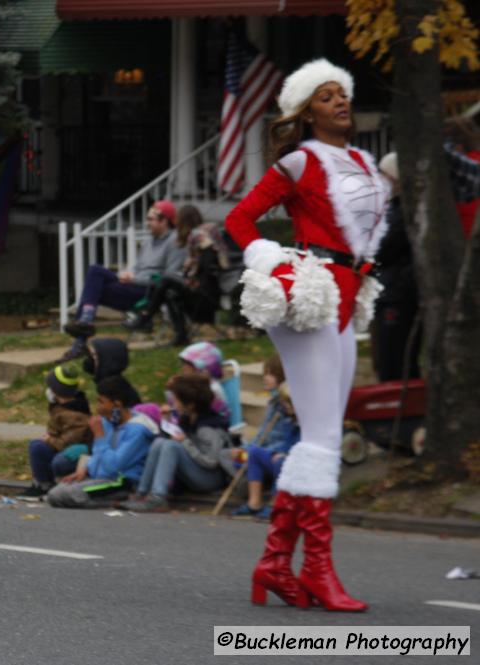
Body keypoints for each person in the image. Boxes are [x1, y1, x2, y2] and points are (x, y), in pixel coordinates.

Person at [224, 59, 390, 612]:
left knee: (321, 436)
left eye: (341, 93)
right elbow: (241, 221)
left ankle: (274, 564)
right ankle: (316, 570)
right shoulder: (301, 160)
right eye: (324, 97)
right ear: (306, 112)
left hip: (347, 297)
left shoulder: (363, 162)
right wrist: (273, 262)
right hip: (309, 296)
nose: (339, 102)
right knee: (321, 437)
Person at [59, 200, 183, 361]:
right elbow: (137, 268)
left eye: (151, 219)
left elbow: (170, 277)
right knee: (94, 286)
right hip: (132, 287)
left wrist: (134, 278)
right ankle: (81, 335)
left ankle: (83, 327)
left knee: (95, 271)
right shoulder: (148, 242)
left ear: (164, 220)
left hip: (148, 294)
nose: (147, 223)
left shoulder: (174, 242)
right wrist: (127, 274)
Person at [119, 374, 230, 513]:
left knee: (171, 446)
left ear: (190, 405)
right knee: (160, 442)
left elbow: (211, 462)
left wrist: (185, 442)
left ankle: (158, 497)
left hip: (210, 479)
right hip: (197, 471)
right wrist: (166, 422)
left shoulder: (208, 429)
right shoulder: (188, 419)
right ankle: (142, 493)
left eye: (176, 400)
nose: (173, 404)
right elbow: (167, 445)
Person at [45, 375, 153, 509]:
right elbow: (97, 454)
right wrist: (85, 469)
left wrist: (100, 436)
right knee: (55, 493)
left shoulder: (137, 430)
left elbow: (113, 466)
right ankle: (99, 500)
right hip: (100, 477)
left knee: (63, 494)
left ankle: (120, 503)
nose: (97, 407)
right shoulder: (108, 421)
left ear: (117, 404)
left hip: (122, 482)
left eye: (101, 402)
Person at [125, 211, 229, 345]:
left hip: (206, 297)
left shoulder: (202, 239)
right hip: (198, 298)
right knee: (169, 292)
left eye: (178, 223)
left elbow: (207, 269)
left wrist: (191, 267)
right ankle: (181, 336)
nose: (176, 227)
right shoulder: (194, 242)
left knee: (166, 279)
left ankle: (145, 317)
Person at [228, 356, 300, 519]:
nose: (265, 377)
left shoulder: (291, 405)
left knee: (279, 460)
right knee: (252, 452)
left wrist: (277, 452)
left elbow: (291, 438)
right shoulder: (274, 403)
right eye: (265, 373)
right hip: (272, 452)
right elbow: (262, 434)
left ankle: (276, 504)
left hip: (287, 456)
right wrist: (246, 449)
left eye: (271, 374)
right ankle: (254, 503)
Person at [371, 153, 420, 382]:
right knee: (386, 356)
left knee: (394, 358)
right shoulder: (391, 209)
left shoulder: (403, 213)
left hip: (397, 294)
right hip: (388, 290)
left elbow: (380, 249)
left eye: (384, 175)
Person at [18, 364, 93, 500]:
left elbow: (67, 443)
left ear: (57, 391)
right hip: (64, 447)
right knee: (37, 446)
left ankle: (45, 486)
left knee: (40, 448)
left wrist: (49, 440)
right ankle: (41, 483)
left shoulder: (75, 415)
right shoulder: (61, 408)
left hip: (76, 453)